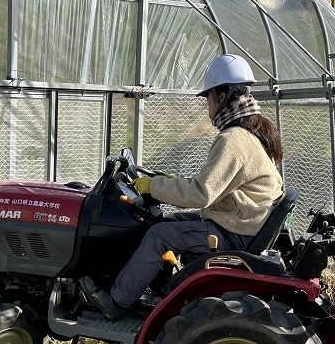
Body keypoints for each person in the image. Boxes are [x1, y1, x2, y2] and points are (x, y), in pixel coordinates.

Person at [80, 54, 284, 320]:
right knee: (162, 223)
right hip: (242, 224)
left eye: (208, 98)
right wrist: (165, 182)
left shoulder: (234, 140)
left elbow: (201, 193)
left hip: (236, 233)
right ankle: (154, 287)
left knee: (158, 236)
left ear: (222, 96)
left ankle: (115, 302)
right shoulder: (251, 133)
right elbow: (215, 186)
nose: (207, 105)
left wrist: (153, 186)